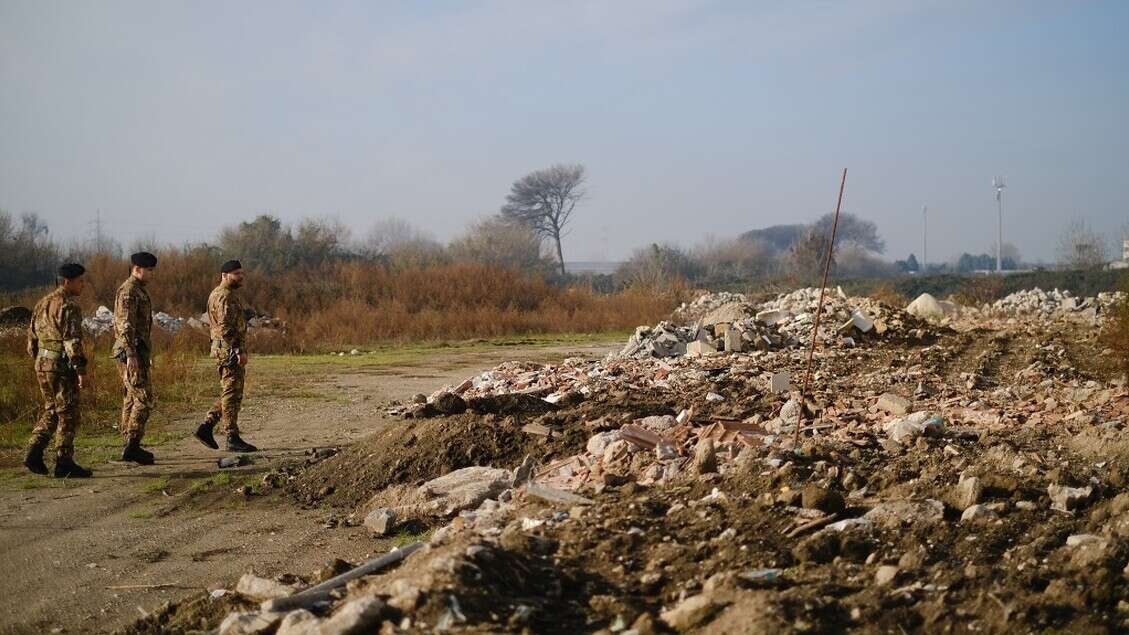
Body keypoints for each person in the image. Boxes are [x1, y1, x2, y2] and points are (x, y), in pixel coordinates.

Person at [25, 263, 93, 478]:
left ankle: (34, 451)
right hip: (60, 367)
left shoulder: (42, 303)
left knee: (51, 409)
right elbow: (72, 340)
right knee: (68, 413)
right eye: (80, 281)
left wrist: (40, 360)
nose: (83, 285)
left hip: (42, 364)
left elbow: (31, 339)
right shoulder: (68, 306)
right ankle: (64, 461)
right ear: (67, 282)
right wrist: (80, 369)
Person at [195, 259, 258, 452]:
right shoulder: (223, 296)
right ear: (224, 275)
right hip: (228, 350)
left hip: (226, 349)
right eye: (236, 274)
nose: (241, 277)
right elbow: (224, 327)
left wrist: (243, 317)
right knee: (232, 393)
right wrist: (238, 350)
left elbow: (230, 321)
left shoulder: (229, 295)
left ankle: (207, 426)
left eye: (241, 273)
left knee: (231, 391)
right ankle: (231, 436)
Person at [113, 252, 157, 465]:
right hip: (131, 353)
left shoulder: (139, 290)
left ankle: (129, 445)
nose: (151, 274)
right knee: (144, 398)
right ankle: (132, 445)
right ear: (137, 269)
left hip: (138, 351)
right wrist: (131, 354)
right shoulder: (129, 291)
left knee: (131, 399)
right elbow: (125, 324)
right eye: (149, 270)